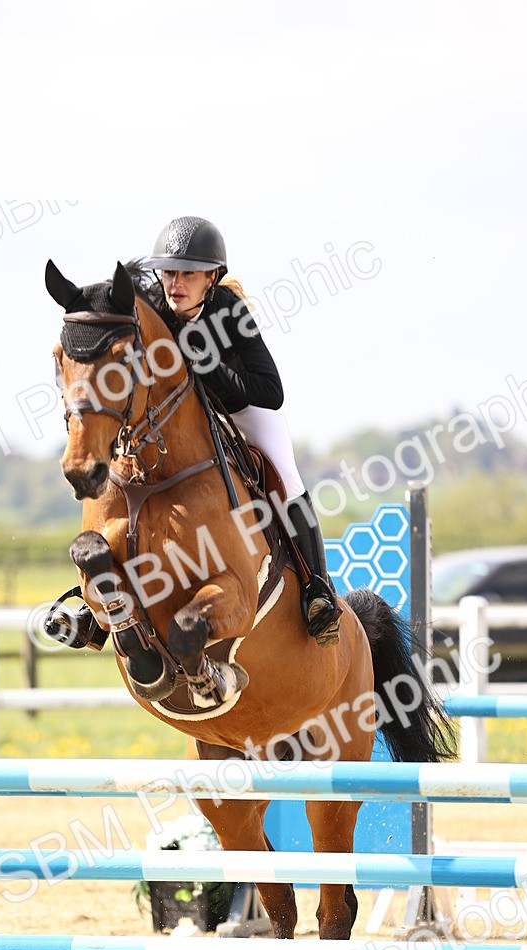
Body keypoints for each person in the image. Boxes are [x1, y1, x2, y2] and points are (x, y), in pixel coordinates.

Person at [144, 215, 340, 645]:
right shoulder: (153, 304)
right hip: (186, 417)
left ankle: (317, 590)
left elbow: (271, 392)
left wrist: (209, 366)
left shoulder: (229, 312)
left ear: (211, 278)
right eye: (170, 272)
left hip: (244, 412)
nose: (176, 283)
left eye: (189, 274)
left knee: (286, 478)